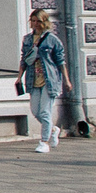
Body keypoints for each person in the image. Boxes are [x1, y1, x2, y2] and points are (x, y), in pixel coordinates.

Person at [20, 9, 71, 152]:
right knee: (35, 111)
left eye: (39, 21)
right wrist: (19, 77)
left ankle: (44, 142)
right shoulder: (28, 39)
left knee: (45, 112)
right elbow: (24, 59)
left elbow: (60, 61)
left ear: (44, 22)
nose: (35, 24)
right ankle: (53, 130)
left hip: (49, 80)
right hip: (32, 79)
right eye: (33, 21)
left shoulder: (52, 39)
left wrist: (66, 80)